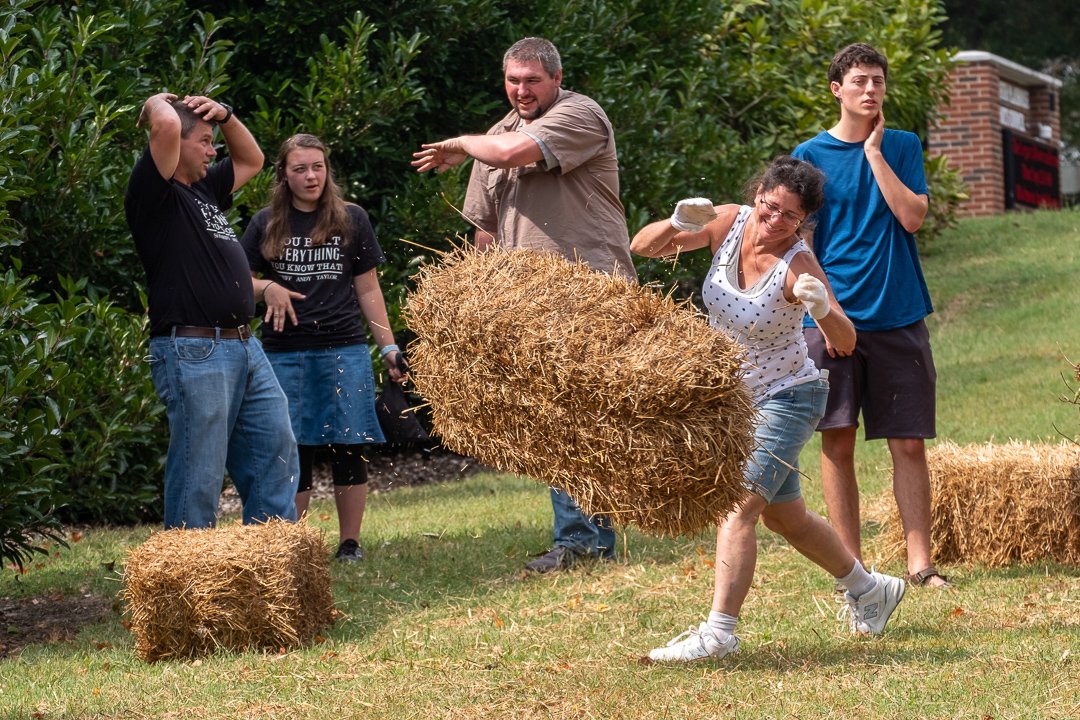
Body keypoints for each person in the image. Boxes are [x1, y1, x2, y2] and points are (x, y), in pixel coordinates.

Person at [630, 156, 906, 663]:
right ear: (758, 193)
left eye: (789, 216)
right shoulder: (730, 219)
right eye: (769, 205)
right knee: (788, 519)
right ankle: (871, 590)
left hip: (788, 396)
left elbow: (844, 341)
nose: (774, 220)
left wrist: (821, 307)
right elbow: (641, 249)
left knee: (738, 507)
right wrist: (677, 223)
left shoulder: (797, 265)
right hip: (735, 400)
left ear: (804, 223)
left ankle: (719, 633)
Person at [412, 37, 636, 573]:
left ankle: (585, 538)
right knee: (558, 415)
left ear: (557, 79)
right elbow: (486, 231)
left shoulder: (580, 115)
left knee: (585, 411)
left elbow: (515, 154)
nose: (521, 90)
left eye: (532, 80)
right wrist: (477, 300)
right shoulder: (491, 137)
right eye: (513, 80)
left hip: (590, 289)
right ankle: (586, 535)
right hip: (528, 302)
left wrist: (463, 144)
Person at [792, 43, 948, 588]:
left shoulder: (902, 146)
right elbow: (801, 240)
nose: (870, 90)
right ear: (837, 89)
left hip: (899, 312)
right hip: (831, 318)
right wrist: (827, 314)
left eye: (878, 81)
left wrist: (876, 155)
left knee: (907, 441)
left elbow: (910, 218)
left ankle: (921, 566)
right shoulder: (808, 153)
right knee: (837, 440)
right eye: (859, 81)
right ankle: (852, 572)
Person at [125, 93, 298, 529]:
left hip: (244, 344)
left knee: (273, 449)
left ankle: (270, 563)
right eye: (204, 140)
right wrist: (152, 102)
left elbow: (253, 158)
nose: (212, 149)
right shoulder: (154, 193)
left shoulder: (203, 190)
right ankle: (188, 575)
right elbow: (163, 125)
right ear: (176, 145)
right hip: (192, 348)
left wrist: (225, 114)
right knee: (199, 471)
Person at [240, 133, 407, 562]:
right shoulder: (264, 223)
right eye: (300, 168)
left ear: (327, 170)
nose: (311, 176)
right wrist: (269, 287)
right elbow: (237, 283)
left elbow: (369, 290)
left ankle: (349, 543)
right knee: (290, 449)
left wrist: (388, 349)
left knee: (347, 446)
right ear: (284, 175)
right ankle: (291, 545)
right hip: (282, 353)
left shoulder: (351, 219)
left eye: (317, 166)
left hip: (343, 350)